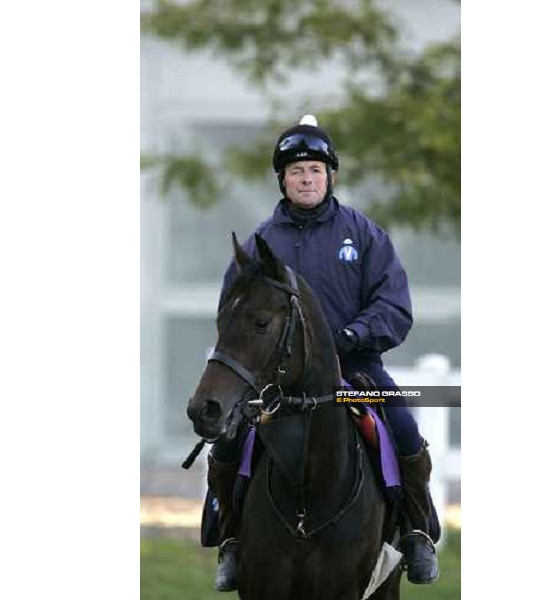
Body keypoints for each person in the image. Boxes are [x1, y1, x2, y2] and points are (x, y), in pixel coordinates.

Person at [208, 115, 439, 591]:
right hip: (277, 377)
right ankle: (231, 538)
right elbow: (232, 312)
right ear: (282, 179)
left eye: (315, 169)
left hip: (355, 368)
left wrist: (351, 337)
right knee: (228, 441)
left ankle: (416, 532)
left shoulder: (365, 234)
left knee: (404, 428)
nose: (306, 178)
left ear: (331, 176)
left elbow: (394, 305)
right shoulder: (259, 243)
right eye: (296, 171)